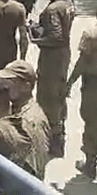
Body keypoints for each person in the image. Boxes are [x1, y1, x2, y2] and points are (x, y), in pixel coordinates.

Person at [32, 0, 75, 158]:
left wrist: (36, 39)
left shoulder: (53, 9)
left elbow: (57, 37)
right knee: (59, 97)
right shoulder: (68, 5)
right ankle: (58, 139)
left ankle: (53, 144)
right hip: (63, 57)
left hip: (52, 59)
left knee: (48, 98)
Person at [65, 17, 97, 179]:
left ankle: (91, 163)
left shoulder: (91, 34)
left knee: (92, 122)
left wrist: (70, 82)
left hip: (93, 86)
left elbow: (82, 62)